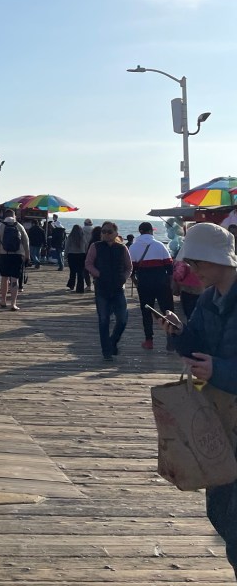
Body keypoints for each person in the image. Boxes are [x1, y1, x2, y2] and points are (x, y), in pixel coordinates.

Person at [158, 223, 237, 577]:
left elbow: (215, 364)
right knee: (219, 510)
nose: (192, 269)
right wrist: (179, 334)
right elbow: (198, 349)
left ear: (218, 258)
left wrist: (219, 370)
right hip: (218, 419)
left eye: (197, 261)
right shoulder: (207, 299)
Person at [85, 222, 132, 362]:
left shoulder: (122, 248)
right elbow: (88, 263)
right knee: (104, 319)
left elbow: (129, 266)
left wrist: (124, 277)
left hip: (118, 288)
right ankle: (107, 351)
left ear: (116, 233)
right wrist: (98, 274)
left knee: (122, 319)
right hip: (102, 287)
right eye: (103, 231)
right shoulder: (96, 246)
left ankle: (113, 342)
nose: (106, 234)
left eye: (109, 231)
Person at [129, 221, 174, 351]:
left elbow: (131, 269)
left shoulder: (133, 247)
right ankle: (171, 340)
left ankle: (149, 341)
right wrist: (171, 283)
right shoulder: (159, 245)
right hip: (161, 282)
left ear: (140, 232)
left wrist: (136, 282)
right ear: (151, 231)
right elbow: (169, 266)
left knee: (147, 312)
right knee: (168, 311)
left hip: (144, 283)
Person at [0, 211, 30, 311]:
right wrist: (27, 256)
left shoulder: (0, 226)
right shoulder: (19, 226)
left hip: (4, 255)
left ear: (4, 216)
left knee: (4, 278)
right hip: (17, 256)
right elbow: (26, 242)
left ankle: (3, 300)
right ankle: (13, 303)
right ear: (14, 216)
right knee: (14, 279)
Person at [65, 224, 88, 293]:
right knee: (80, 272)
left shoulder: (70, 237)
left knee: (72, 272)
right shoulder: (83, 237)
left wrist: (65, 255)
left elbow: (67, 246)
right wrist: (86, 254)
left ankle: (71, 285)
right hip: (81, 255)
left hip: (72, 255)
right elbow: (86, 246)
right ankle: (80, 288)